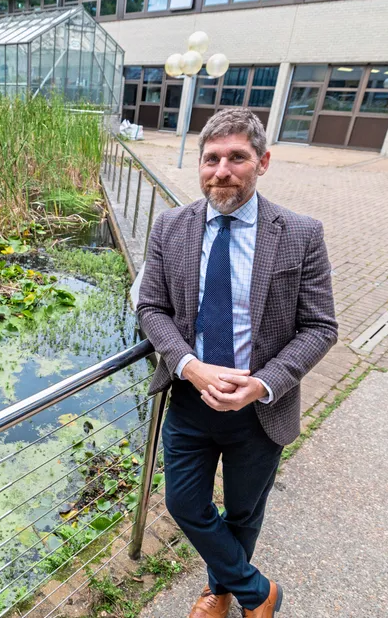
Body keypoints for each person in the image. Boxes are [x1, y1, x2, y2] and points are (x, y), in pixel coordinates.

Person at [136, 108, 337, 618]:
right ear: (200, 164)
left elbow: (321, 327)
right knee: (185, 504)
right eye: (211, 159)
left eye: (236, 158)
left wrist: (264, 384)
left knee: (245, 511)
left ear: (262, 161)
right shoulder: (170, 227)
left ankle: (218, 590)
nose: (221, 170)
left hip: (259, 408)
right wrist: (189, 365)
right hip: (189, 398)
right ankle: (256, 591)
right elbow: (151, 308)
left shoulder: (300, 233)